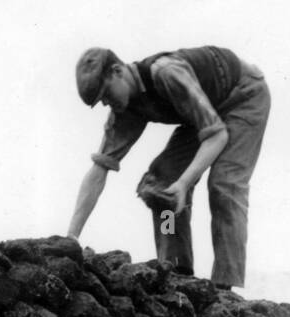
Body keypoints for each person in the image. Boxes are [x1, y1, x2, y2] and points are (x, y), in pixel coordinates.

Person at [68, 45, 271, 290]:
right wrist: (71, 239)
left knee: (224, 184)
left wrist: (185, 183)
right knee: (162, 185)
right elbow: (99, 170)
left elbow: (216, 136)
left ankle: (225, 286)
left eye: (106, 94)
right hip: (202, 112)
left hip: (243, 96)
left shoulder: (167, 73)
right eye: (101, 101)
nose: (107, 103)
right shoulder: (125, 108)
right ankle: (175, 269)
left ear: (117, 71)